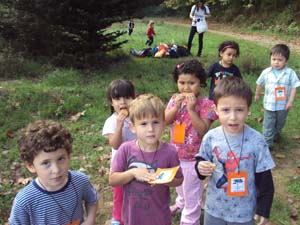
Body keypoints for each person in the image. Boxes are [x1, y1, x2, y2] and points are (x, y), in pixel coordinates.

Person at [196, 76, 275, 225]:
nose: (233, 117)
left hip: (243, 212)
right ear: (216, 110)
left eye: (239, 110)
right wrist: (200, 167)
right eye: (225, 110)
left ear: (248, 110)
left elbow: (265, 178)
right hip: (214, 209)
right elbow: (202, 161)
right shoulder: (211, 137)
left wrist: (264, 208)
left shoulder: (257, 141)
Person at [109, 94, 183, 225]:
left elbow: (179, 180)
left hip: (159, 217)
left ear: (163, 123)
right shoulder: (125, 149)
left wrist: (167, 180)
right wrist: (132, 173)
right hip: (132, 217)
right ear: (133, 127)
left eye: (155, 122)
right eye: (143, 124)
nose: (150, 129)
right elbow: (113, 180)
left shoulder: (170, 151)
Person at [9, 120, 98, 225]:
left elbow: (92, 200)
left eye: (61, 159)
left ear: (68, 156)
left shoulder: (80, 181)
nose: (56, 170)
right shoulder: (25, 200)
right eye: (46, 163)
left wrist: (90, 219)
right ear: (31, 166)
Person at [165, 59, 217, 225]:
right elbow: (165, 120)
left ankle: (190, 219)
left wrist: (191, 109)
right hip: (175, 154)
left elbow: (203, 130)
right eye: (182, 82)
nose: (186, 88)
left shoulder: (206, 104)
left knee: (192, 191)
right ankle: (181, 202)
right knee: (180, 185)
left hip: (194, 158)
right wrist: (175, 108)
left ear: (201, 82)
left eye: (191, 83)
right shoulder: (174, 99)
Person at [102, 79, 136, 225]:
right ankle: (117, 218)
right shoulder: (111, 121)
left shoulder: (138, 117)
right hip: (120, 166)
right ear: (111, 101)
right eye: (117, 98)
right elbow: (115, 145)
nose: (123, 102)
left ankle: (135, 215)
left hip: (138, 162)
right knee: (120, 194)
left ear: (134, 98)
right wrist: (119, 125)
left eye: (127, 97)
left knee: (137, 191)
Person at [255, 44, 300, 149]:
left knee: (280, 122)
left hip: (283, 105)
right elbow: (259, 83)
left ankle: (276, 133)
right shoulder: (266, 72)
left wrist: (290, 102)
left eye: (280, 60)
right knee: (268, 124)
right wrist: (257, 94)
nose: (276, 62)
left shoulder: (290, 73)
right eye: (274, 59)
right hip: (269, 104)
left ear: (286, 61)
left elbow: (294, 87)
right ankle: (267, 143)